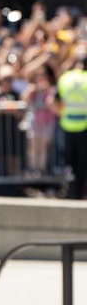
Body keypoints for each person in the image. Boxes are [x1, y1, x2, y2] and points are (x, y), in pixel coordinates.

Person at [56, 55, 87, 199]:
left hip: (67, 126)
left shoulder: (65, 78)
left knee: (70, 164)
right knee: (82, 164)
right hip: (84, 128)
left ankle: (71, 193)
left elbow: (53, 100)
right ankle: (81, 193)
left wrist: (61, 114)